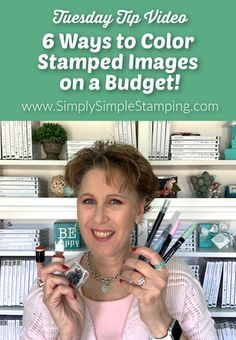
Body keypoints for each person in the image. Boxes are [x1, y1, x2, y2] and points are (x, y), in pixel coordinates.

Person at [21, 141, 217, 340]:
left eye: (114, 201)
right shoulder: (49, 292)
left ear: (138, 210)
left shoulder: (178, 280)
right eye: (88, 201)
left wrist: (161, 321)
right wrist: (68, 335)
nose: (99, 218)